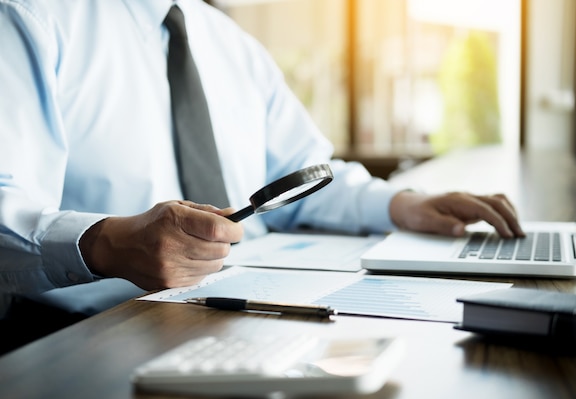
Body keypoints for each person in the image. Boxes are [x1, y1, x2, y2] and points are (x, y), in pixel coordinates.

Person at [0, 0, 524, 332]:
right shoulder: (29, 17)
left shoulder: (232, 44)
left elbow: (301, 176)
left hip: (251, 308)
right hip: (90, 329)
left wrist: (404, 204)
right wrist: (107, 243)